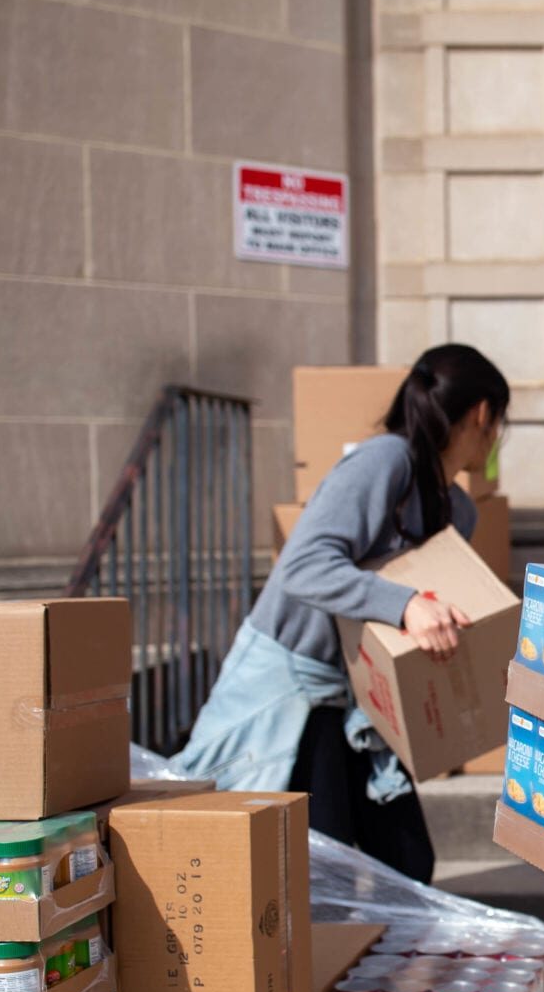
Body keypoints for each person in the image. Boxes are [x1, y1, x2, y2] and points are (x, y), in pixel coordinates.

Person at [173, 344, 509, 883]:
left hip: (360, 694)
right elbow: (303, 567)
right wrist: (405, 606)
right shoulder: (385, 461)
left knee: (406, 863)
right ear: (483, 416)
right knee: (317, 865)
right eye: (499, 424)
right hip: (294, 687)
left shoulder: (455, 510)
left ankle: (384, 965)